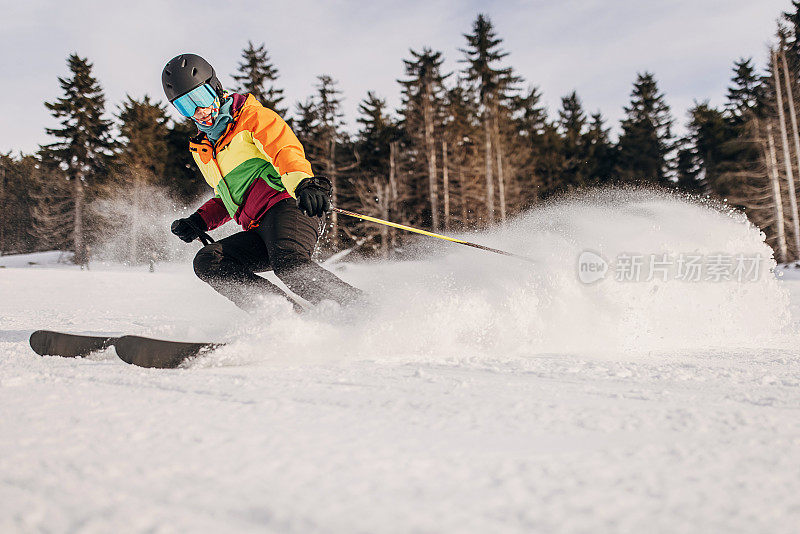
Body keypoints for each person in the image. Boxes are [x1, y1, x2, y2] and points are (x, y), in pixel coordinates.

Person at [162, 53, 361, 312]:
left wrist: (305, 184)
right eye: (186, 106)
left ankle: (363, 309)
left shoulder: (252, 118)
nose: (198, 111)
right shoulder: (203, 150)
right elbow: (228, 197)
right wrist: (199, 221)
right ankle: (285, 317)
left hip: (289, 206)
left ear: (216, 87)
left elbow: (285, 152)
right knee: (209, 261)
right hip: (257, 227)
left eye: (199, 98)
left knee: (289, 263)